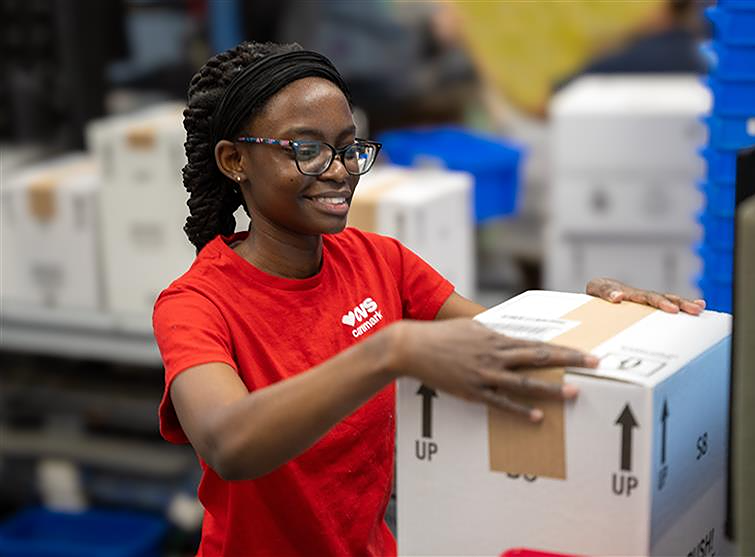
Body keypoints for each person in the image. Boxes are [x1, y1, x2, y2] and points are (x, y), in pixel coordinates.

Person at [153, 41, 706, 557]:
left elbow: (508, 337)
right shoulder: (196, 305)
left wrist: (600, 314)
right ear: (234, 160)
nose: (340, 171)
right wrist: (388, 351)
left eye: (349, 149)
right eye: (308, 149)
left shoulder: (379, 262)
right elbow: (229, 444)